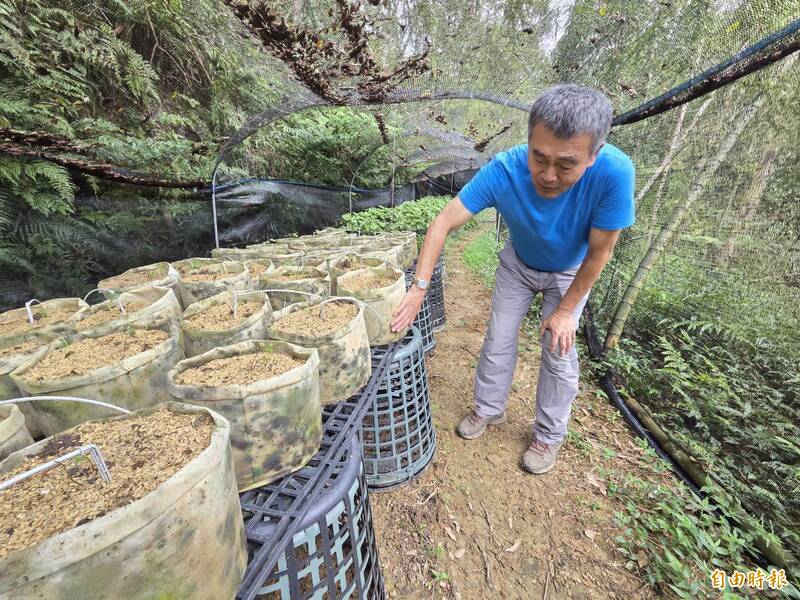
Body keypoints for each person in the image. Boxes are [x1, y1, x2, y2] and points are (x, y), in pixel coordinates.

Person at [390, 84, 635, 474]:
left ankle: (549, 434)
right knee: (499, 337)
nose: (549, 175)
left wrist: (567, 310)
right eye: (539, 157)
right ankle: (488, 409)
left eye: (566, 164)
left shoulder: (615, 174)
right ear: (529, 139)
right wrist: (418, 289)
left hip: (570, 272)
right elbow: (443, 222)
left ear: (594, 154)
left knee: (559, 349)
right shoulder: (504, 169)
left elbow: (600, 251)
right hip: (518, 265)